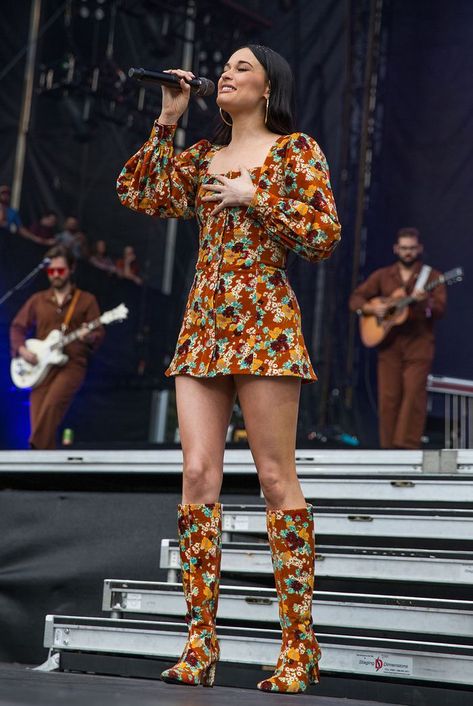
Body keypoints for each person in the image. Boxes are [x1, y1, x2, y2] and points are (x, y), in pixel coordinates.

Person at [117, 44, 340, 693]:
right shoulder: (200, 157)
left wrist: (256, 196)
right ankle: (199, 645)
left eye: (242, 67)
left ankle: (299, 648)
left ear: (270, 85)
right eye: (225, 68)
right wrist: (168, 117)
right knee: (196, 474)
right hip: (204, 319)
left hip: (264, 315)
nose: (227, 74)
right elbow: (139, 191)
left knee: (274, 478)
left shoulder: (295, 150)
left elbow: (323, 234)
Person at [349, 227, 447, 449]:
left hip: (419, 344)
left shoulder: (433, 277)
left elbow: (440, 310)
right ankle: (388, 450)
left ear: (419, 248)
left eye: (412, 248)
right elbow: (356, 299)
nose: (408, 252)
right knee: (389, 397)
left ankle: (408, 448)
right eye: (404, 248)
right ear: (396, 249)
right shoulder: (383, 275)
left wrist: (424, 302)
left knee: (414, 395)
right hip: (390, 345)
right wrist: (373, 310)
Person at [10, 245, 104, 449]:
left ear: (71, 269)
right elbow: (17, 327)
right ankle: (43, 468)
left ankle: (33, 453)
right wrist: (22, 350)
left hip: (72, 364)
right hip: (41, 367)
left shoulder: (86, 300)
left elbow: (98, 334)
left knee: (52, 405)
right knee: (39, 419)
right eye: (51, 271)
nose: (55, 275)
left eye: (60, 270)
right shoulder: (38, 300)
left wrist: (88, 338)